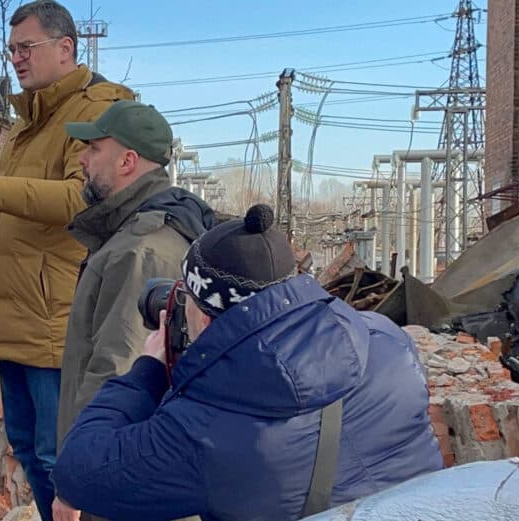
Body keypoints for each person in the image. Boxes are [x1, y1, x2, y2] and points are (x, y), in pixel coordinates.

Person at [52, 204, 444, 521]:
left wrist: (148, 370)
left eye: (186, 299)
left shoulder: (203, 428)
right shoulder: (388, 340)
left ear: (203, 317)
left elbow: (77, 472)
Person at [0, 2, 133, 520]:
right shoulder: (32, 117)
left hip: (55, 316)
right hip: (15, 310)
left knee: (58, 456)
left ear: (65, 48)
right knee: (27, 448)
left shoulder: (97, 110)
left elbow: (81, 199)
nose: (16, 59)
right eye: (12, 50)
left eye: (27, 48)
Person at [52, 100, 214, 521]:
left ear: (127, 160)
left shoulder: (144, 247)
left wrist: (77, 481)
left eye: (93, 149)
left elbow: (120, 370)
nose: (83, 160)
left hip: (118, 482)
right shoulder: (134, 233)